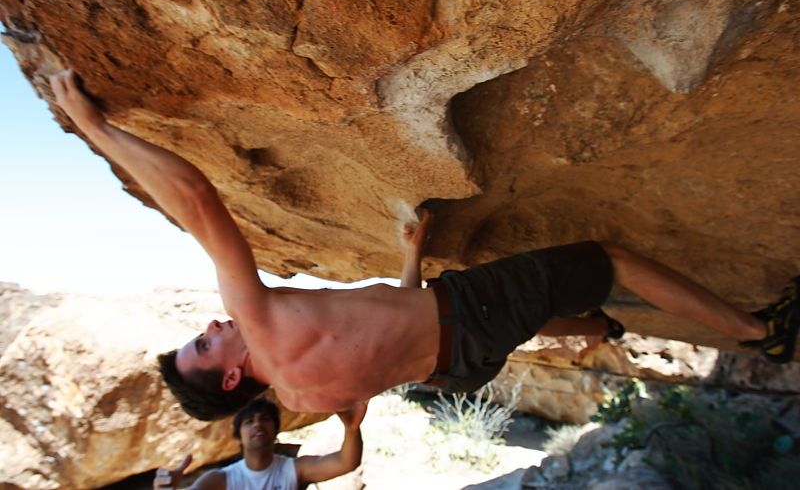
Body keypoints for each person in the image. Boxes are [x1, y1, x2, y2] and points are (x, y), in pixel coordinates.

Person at [49, 70, 800, 421]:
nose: (213, 326)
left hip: (459, 366)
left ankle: (599, 328)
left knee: (526, 314)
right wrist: (96, 127)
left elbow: (389, 335)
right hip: (467, 316)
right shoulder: (259, 318)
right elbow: (196, 198)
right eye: (206, 344)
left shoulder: (308, 398)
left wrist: (410, 256)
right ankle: (760, 332)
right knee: (611, 259)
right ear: (234, 373)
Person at [152, 397, 366, 490]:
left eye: (265, 419)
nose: (258, 424)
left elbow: (346, 462)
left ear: (275, 430)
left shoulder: (294, 469)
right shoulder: (221, 480)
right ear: (238, 436)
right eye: (249, 421)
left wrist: (351, 428)